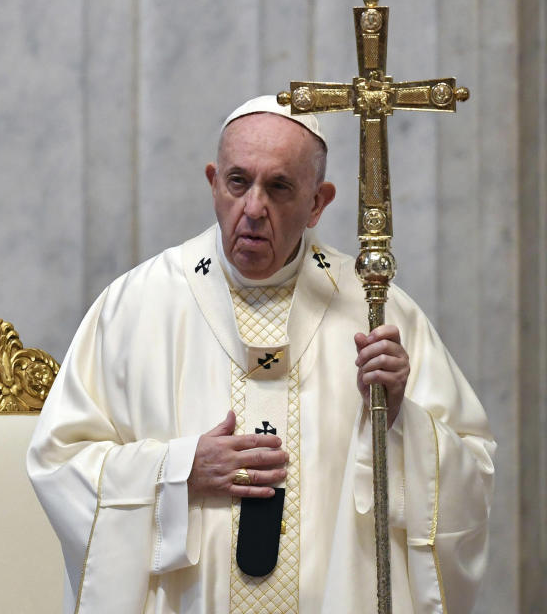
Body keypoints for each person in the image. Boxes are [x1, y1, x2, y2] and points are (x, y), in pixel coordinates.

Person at [26, 95, 495, 614]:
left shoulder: (376, 311)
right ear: (212, 182)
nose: (253, 208)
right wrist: (178, 470)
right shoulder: (137, 306)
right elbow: (59, 463)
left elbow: (469, 475)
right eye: (237, 182)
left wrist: (398, 420)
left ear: (319, 202)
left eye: (279, 187)